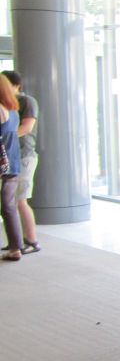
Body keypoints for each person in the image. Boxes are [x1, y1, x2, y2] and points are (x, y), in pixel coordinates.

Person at [1, 70, 39, 254]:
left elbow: (27, 127)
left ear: (17, 85)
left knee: (20, 200)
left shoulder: (26, 102)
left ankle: (31, 241)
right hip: (11, 156)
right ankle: (16, 243)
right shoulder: (9, 105)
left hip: (23, 156)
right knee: (11, 203)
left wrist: (6, 137)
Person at [0, 74, 24, 261]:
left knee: (8, 206)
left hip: (3, 162)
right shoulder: (13, 109)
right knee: (9, 206)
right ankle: (16, 247)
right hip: (12, 161)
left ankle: (16, 248)